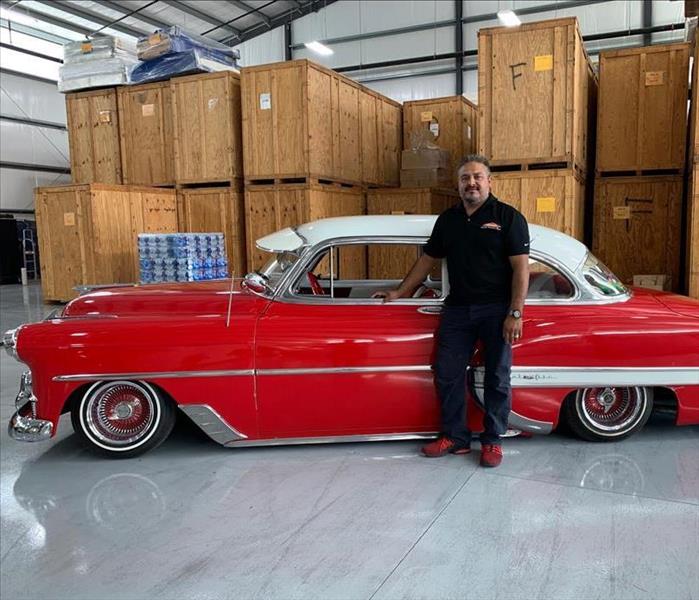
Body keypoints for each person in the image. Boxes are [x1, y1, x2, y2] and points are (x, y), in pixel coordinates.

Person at [375, 154, 529, 468]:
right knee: (447, 374)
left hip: (497, 310)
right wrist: (399, 292)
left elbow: (521, 269)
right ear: (458, 184)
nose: (471, 183)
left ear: (489, 181)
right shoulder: (449, 219)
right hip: (458, 309)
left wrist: (515, 312)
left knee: (497, 378)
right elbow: (427, 260)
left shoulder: (509, 217)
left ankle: (492, 441)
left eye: (477, 177)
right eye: (465, 178)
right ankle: (455, 437)